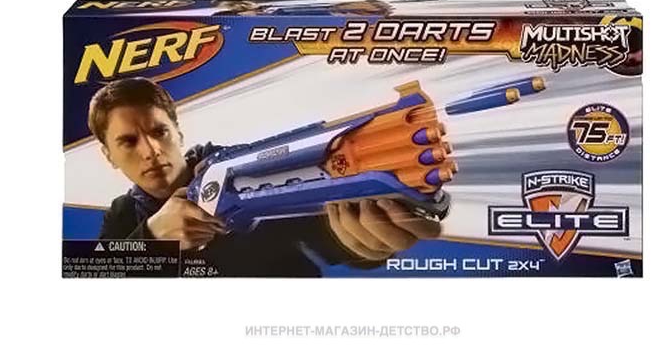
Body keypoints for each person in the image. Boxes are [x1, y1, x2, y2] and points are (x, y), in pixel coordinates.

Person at [90, 77, 440, 276]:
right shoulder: (122, 214)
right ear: (108, 156)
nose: (151, 150)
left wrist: (363, 242)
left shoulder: (241, 168)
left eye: (159, 131)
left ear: (178, 132)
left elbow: (323, 230)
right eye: (128, 141)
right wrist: (152, 239)